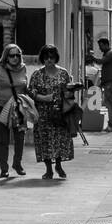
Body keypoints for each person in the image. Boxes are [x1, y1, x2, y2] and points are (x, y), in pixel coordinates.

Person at [0, 43, 33, 178]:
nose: (15, 58)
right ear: (6, 57)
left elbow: (25, 87)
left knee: (20, 137)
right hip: (1, 107)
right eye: (12, 55)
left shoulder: (23, 68)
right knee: (4, 139)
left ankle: (17, 164)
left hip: (18, 108)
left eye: (17, 55)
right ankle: (4, 168)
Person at [29, 44, 74, 179]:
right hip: (43, 113)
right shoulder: (37, 74)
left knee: (60, 139)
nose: (49, 60)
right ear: (42, 58)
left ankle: (59, 165)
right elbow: (30, 92)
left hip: (60, 112)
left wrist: (71, 91)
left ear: (56, 58)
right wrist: (43, 98)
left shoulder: (63, 73)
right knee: (45, 140)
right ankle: (48, 169)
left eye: (52, 57)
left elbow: (69, 92)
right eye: (46, 57)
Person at [91, 36, 112, 131]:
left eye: (101, 46)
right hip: (108, 82)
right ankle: (111, 124)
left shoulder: (110, 53)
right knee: (109, 103)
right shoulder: (108, 53)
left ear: (106, 44)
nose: (99, 48)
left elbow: (101, 62)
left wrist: (92, 58)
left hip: (110, 82)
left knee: (110, 103)